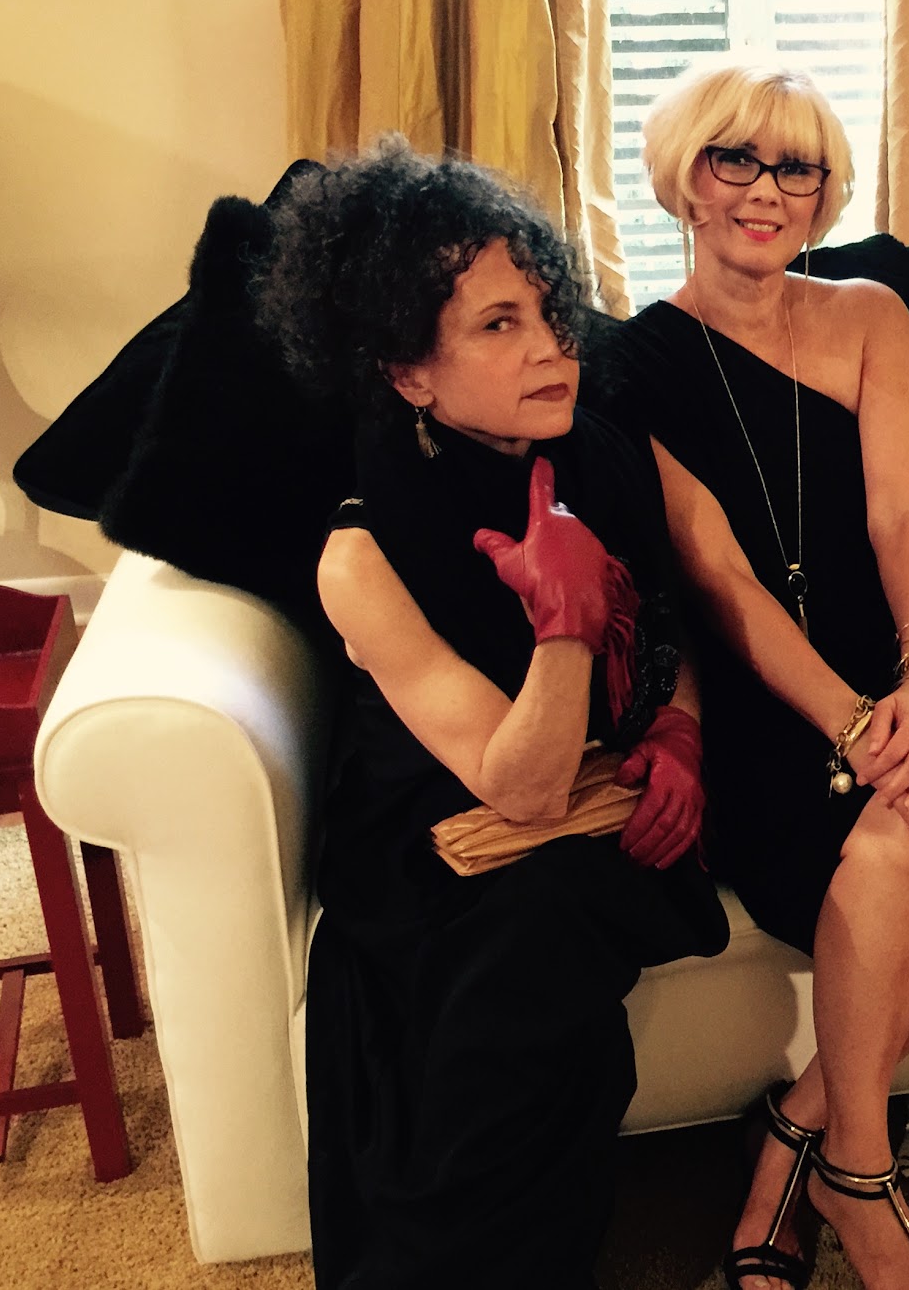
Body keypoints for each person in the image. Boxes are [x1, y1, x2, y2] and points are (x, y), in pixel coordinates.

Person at [258, 140, 730, 1289]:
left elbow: (668, 629)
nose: (549, 346)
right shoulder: (361, 553)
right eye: (496, 325)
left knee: (548, 931)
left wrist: (677, 730)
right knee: (521, 964)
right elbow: (514, 785)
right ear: (409, 372)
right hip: (441, 833)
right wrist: (563, 625)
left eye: (548, 312)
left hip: (586, 803)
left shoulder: (599, 452)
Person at [615, 60, 909, 1290]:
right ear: (683, 179)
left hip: (898, 675)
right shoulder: (634, 359)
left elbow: (908, 513)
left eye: (795, 167)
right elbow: (718, 579)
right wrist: (854, 725)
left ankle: (795, 1135)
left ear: (823, 190)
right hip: (765, 703)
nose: (765, 190)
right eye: (733, 160)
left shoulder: (869, 314)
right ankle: (861, 1174)